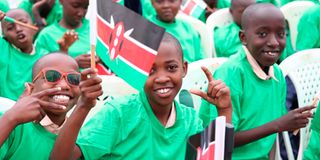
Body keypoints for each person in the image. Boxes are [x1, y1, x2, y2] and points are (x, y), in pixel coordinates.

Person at [49, 33, 232, 159]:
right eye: (150, 70)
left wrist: (224, 110)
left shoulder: (190, 119)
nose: (161, 78)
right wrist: (83, 106)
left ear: (184, 69)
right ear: (137, 73)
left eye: (171, 68)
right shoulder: (118, 113)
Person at [203, 4, 314, 159]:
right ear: (243, 38)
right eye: (262, 34)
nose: (274, 42)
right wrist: (279, 125)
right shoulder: (231, 73)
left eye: (281, 34)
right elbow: (218, 141)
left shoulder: (277, 74)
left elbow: (270, 136)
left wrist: (290, 122)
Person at [0, 52, 102, 159]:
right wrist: (11, 118)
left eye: (73, 79)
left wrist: (84, 106)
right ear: (31, 88)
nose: (64, 86)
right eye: (52, 76)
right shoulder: (9, 121)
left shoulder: (80, 136)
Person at [0, 9, 78, 101]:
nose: (18, 29)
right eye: (10, 28)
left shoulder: (45, 56)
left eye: (22, 23)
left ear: (34, 27)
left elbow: (59, 80)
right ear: (5, 37)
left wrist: (63, 50)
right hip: (6, 111)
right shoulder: (3, 49)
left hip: (36, 110)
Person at [35, 0, 99, 69]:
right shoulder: (46, 36)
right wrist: (73, 63)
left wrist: (101, 60)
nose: (81, 13)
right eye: (75, 6)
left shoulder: (96, 28)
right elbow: (40, 70)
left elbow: (110, 55)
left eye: (85, 7)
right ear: (61, 1)